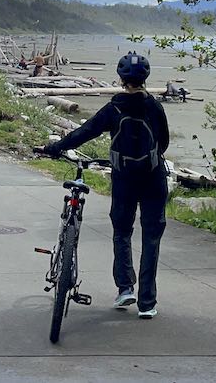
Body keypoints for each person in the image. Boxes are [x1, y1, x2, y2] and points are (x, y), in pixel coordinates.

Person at [41, 51, 170, 319]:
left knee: (122, 232)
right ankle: (147, 303)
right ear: (146, 78)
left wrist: (55, 147)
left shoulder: (114, 108)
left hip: (124, 178)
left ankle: (125, 288)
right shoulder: (155, 107)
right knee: (151, 238)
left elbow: (84, 132)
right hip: (153, 178)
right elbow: (164, 143)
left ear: (121, 79)